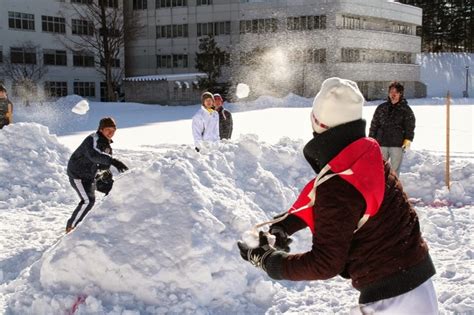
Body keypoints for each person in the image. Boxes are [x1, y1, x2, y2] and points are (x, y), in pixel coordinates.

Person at [237, 78, 437, 314]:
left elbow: (325, 263)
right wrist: (285, 224)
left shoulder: (338, 184)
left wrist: (270, 261)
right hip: (417, 281)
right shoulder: (365, 155)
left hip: (392, 298)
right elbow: (345, 206)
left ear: (318, 123)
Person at [66, 117, 128, 233]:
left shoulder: (107, 145)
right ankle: (71, 227)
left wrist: (107, 177)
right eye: (108, 130)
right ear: (101, 129)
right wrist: (113, 161)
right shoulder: (92, 139)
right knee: (88, 200)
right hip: (78, 175)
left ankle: (108, 220)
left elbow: (103, 165)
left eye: (113, 130)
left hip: (91, 175)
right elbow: (94, 155)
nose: (111, 133)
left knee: (114, 190)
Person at [369, 81, 415, 175]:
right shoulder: (381, 108)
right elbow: (374, 125)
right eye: (391, 92)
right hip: (381, 144)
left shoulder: (406, 110)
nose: (393, 95)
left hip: (397, 145)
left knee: (394, 172)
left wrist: (408, 140)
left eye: (396, 92)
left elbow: (410, 126)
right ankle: (381, 188)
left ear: (400, 94)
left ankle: (393, 188)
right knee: (379, 170)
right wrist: (371, 140)